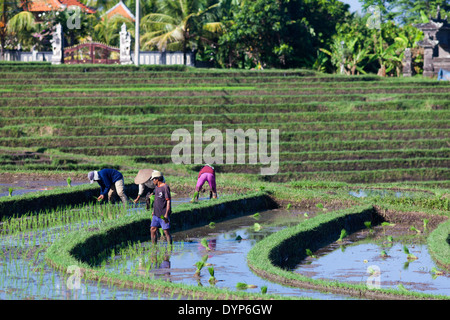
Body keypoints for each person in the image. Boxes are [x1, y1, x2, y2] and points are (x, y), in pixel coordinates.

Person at [150, 170, 172, 246]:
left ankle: (170, 246)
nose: (153, 181)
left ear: (157, 179)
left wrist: (166, 214)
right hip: (156, 214)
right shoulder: (156, 188)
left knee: (166, 231)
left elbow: (168, 201)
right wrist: (153, 211)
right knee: (152, 229)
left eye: (153, 179)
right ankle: (154, 246)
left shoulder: (165, 187)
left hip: (163, 214)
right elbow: (156, 201)